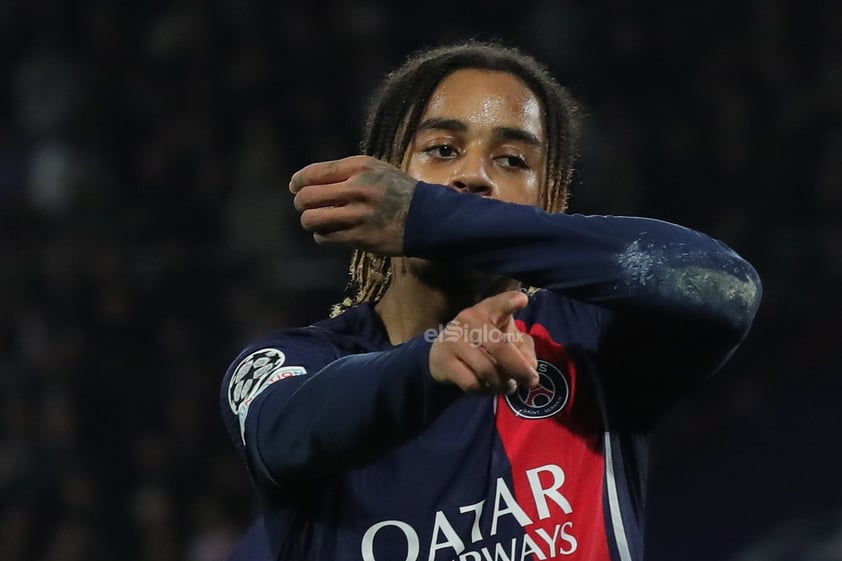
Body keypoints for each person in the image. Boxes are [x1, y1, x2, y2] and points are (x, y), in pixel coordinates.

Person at [220, 41, 762, 561]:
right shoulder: (295, 362)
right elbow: (287, 433)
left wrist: (434, 218)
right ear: (384, 174)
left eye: (511, 160)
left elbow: (723, 287)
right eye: (442, 150)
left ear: (547, 199)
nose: (473, 176)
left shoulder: (592, 343)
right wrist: (429, 364)